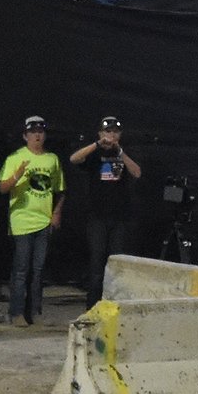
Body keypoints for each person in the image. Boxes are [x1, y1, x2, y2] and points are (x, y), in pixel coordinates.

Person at [68, 115, 143, 307]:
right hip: (97, 217)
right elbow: (74, 159)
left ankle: (114, 304)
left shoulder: (124, 152)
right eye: (108, 131)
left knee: (116, 263)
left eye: (115, 132)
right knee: (96, 263)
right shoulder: (94, 153)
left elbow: (137, 172)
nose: (111, 135)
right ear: (101, 133)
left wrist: (120, 152)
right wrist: (97, 144)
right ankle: (93, 306)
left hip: (119, 218)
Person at [0, 116, 65, 327]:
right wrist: (17, 176)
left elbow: (60, 189)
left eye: (40, 132)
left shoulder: (52, 159)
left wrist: (56, 213)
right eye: (33, 132)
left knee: (38, 269)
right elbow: (2, 188)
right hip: (22, 220)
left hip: (43, 221)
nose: (37, 136)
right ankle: (16, 312)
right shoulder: (16, 157)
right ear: (25, 136)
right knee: (21, 269)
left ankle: (35, 311)